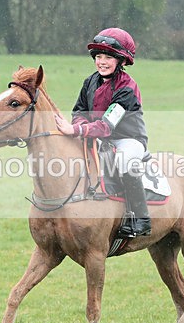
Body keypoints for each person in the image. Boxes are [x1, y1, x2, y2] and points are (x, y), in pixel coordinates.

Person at [54, 27, 151, 237]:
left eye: (108, 57)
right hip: (98, 137)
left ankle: (141, 219)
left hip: (128, 139)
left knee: (124, 162)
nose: (102, 61)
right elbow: (79, 110)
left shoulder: (127, 87)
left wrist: (76, 129)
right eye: (98, 56)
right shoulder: (90, 82)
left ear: (121, 61)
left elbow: (107, 125)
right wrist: (79, 124)